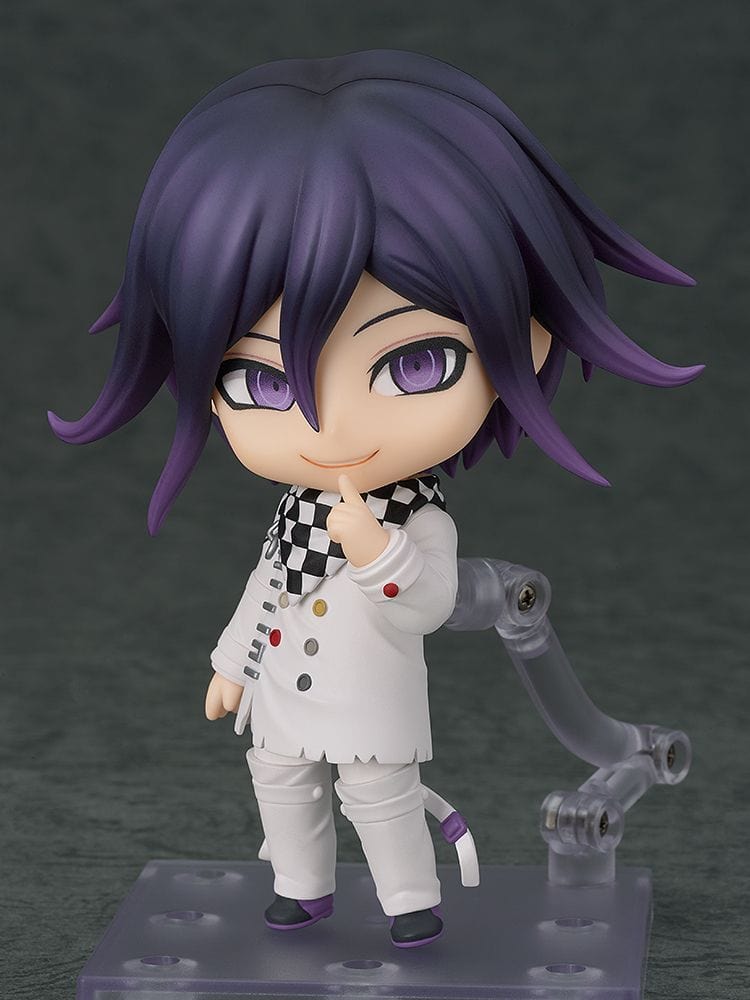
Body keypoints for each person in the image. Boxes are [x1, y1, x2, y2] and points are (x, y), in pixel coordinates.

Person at [48, 50, 702, 947]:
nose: (330, 424)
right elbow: (268, 587)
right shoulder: (294, 517)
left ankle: (409, 901)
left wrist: (377, 551)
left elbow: (428, 601)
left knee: (378, 796)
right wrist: (232, 664)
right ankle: (301, 886)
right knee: (280, 783)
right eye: (260, 380)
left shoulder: (414, 516)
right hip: (283, 696)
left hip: (369, 706)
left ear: (530, 339)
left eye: (414, 363)